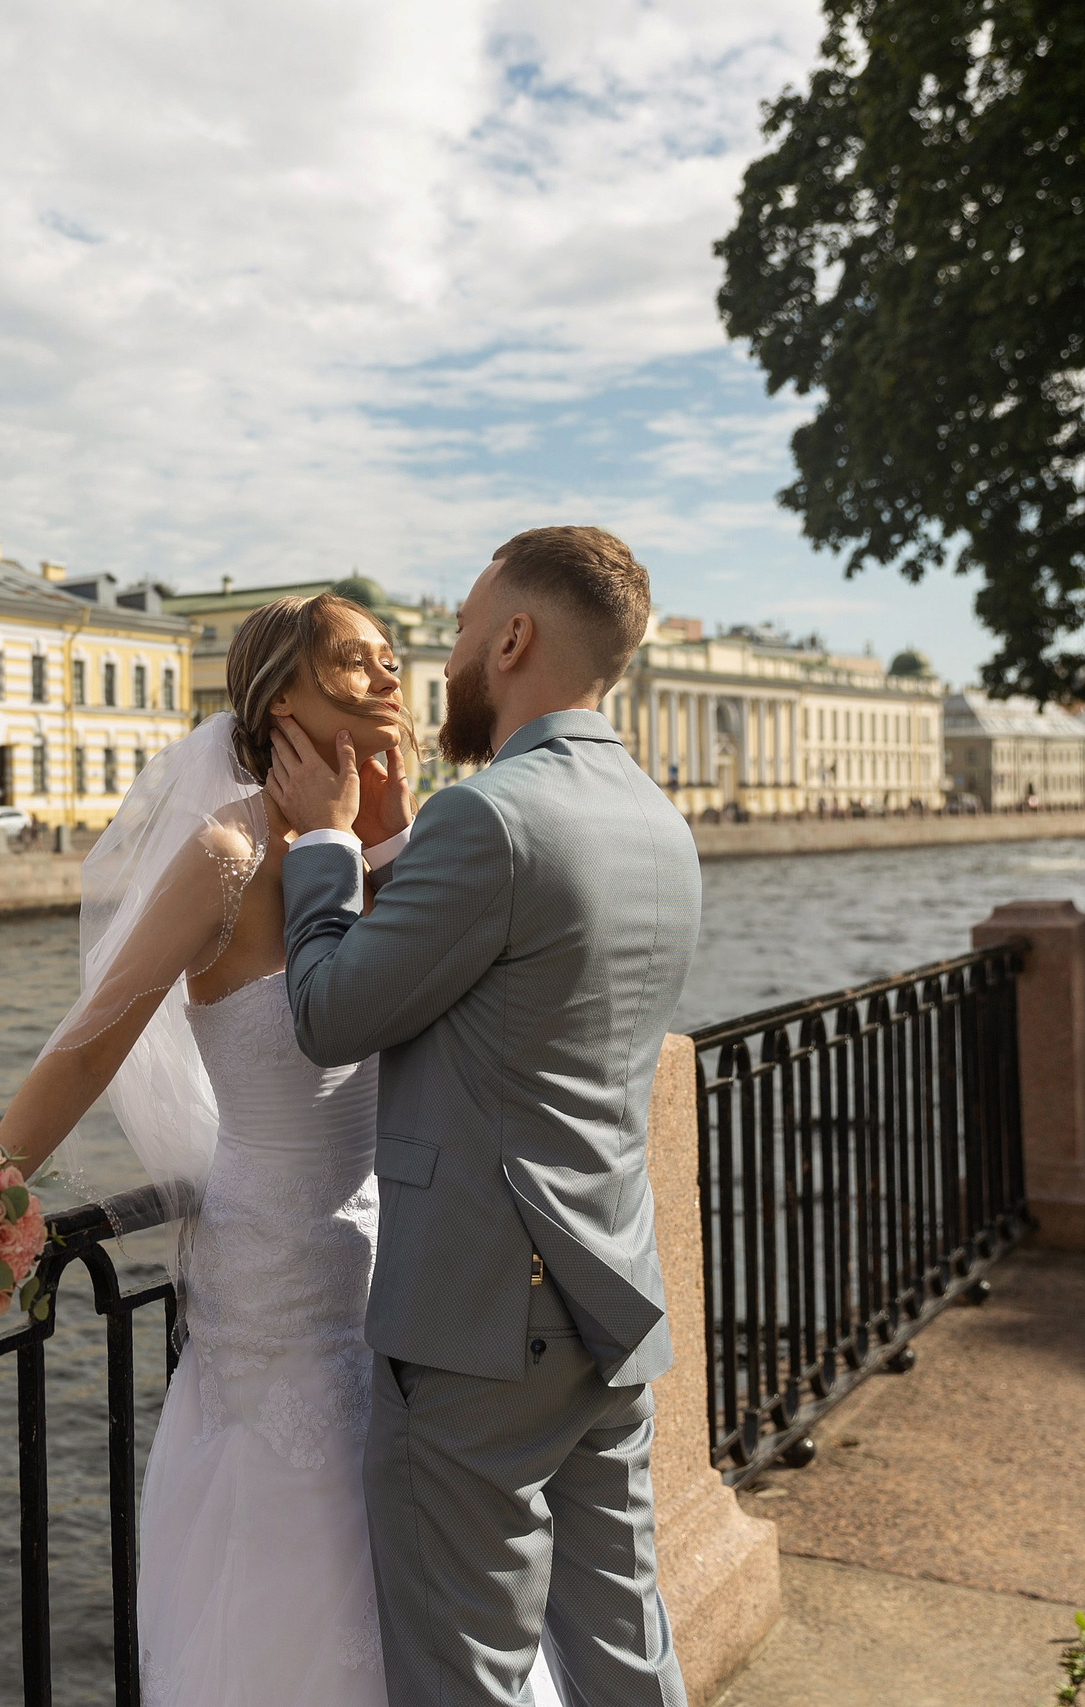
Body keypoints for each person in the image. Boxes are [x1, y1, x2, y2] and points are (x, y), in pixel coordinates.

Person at [269, 526, 699, 1707]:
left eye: (461, 628)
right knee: (622, 1643)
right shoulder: (659, 824)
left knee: (467, 1670)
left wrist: (318, 846)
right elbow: (503, 979)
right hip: (608, 1298)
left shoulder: (494, 815)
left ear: (511, 638)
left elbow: (329, 1014)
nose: (445, 656)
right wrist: (396, 841)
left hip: (476, 1322)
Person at [0, 590, 416, 1706]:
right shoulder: (226, 850)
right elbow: (93, 1044)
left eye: (393, 659)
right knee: (288, 1558)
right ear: (281, 695)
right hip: (271, 1280)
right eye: (358, 662)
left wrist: (389, 832)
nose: (391, 678)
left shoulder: (383, 848)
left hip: (382, 1263)